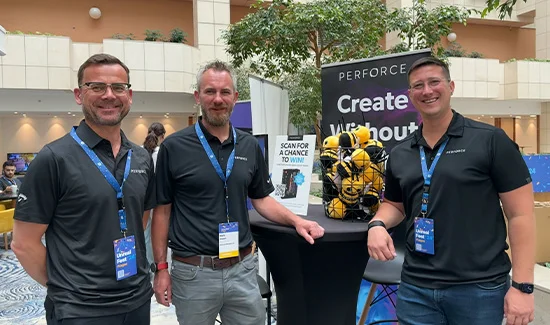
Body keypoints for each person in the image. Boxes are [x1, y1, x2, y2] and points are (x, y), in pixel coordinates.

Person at [152, 60, 325, 325]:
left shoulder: (249, 145)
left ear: (236, 97)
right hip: (193, 273)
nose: (218, 99)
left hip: (242, 269)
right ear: (198, 96)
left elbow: (262, 199)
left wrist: (297, 221)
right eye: (210, 92)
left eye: (225, 92)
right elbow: (162, 212)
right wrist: (161, 269)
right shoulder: (174, 147)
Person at [366, 56, 535, 325]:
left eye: (435, 82)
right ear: (410, 95)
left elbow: (521, 216)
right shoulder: (400, 152)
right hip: (415, 288)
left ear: (451, 86)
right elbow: (396, 205)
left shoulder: (490, 141)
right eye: (418, 85)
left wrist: (523, 287)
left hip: (479, 289)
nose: (427, 91)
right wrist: (377, 224)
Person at [11, 53, 156, 325]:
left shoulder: (141, 157)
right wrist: (67, 288)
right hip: (80, 311)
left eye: (118, 87)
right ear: (79, 94)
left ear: (130, 95)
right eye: (97, 87)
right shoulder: (53, 159)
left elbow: (140, 220)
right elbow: (23, 244)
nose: (109, 95)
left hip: (137, 299)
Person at [143, 122, 166, 267]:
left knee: (144, 231)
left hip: (142, 198)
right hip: (159, 199)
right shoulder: (163, 153)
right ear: (163, 136)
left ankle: (146, 263)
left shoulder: (138, 152)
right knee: (157, 232)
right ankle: (155, 264)